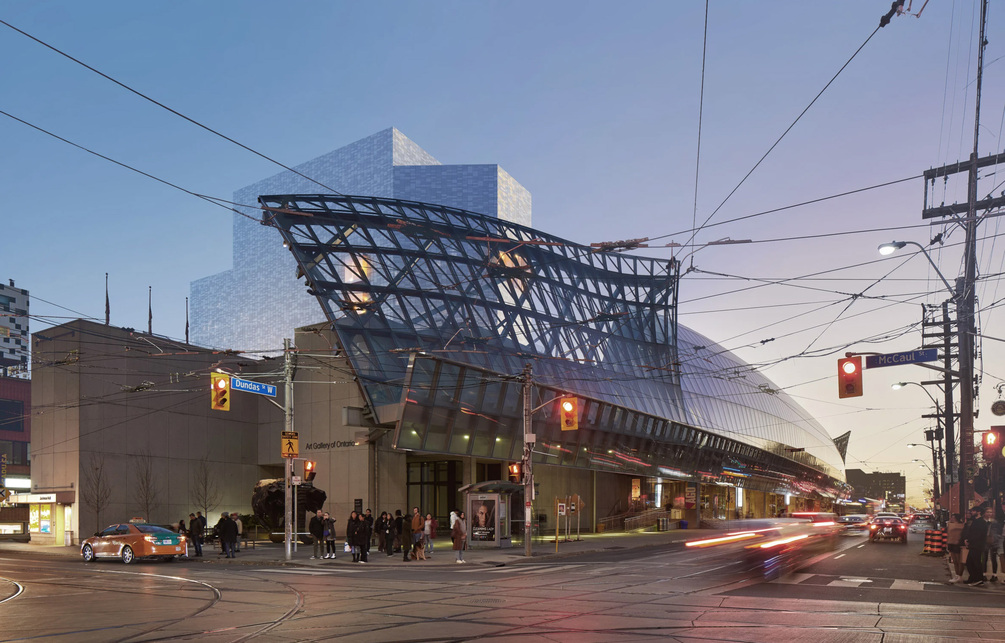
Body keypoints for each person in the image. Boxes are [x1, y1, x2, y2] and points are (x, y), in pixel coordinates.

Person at [964, 506, 991, 585]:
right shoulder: (975, 521)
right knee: (969, 562)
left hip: (977, 545)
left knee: (976, 562)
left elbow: (978, 534)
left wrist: (969, 540)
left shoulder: (981, 522)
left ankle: (978, 579)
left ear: (978, 512)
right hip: (973, 545)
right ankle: (972, 577)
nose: (972, 513)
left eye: (973, 511)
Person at [946, 513, 965, 583]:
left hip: (958, 544)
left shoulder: (961, 525)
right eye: (952, 517)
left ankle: (960, 575)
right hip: (951, 543)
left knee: (959, 561)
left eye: (953, 517)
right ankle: (957, 575)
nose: (952, 519)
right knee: (955, 561)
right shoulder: (950, 524)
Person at [988, 509, 1003, 582]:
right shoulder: (985, 522)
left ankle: (994, 574)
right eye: (988, 512)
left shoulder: (996, 523)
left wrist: (995, 542)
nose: (989, 514)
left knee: (993, 558)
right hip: (985, 542)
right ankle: (984, 574)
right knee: (985, 558)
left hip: (994, 543)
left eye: (991, 512)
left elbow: (998, 534)